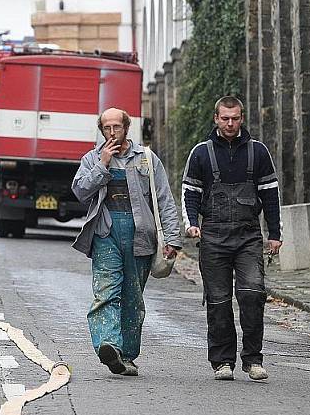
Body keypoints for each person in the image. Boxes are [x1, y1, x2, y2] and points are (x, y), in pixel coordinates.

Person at [72, 107, 181, 376]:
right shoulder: (91, 159)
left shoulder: (146, 159)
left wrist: (173, 237)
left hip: (140, 234)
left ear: (126, 128)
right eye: (106, 128)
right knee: (105, 293)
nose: (111, 133)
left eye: (116, 127)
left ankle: (128, 355)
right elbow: (80, 191)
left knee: (133, 297)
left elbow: (164, 200)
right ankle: (109, 345)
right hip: (106, 233)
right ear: (101, 130)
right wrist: (102, 165)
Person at [181, 95, 282, 381]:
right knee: (218, 300)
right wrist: (192, 224)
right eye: (224, 118)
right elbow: (190, 192)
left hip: (249, 236)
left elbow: (270, 195)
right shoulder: (201, 153)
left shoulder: (258, 152)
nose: (229, 123)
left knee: (252, 295)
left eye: (235, 118)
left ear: (241, 118)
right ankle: (222, 361)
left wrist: (274, 234)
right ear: (216, 118)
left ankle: (253, 359)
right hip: (213, 235)